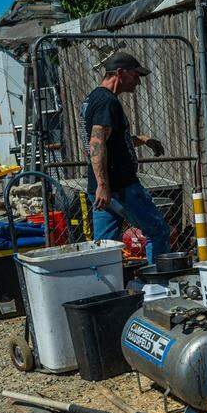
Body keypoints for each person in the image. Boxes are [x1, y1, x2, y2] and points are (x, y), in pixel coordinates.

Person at [81, 51, 173, 263]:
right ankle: (159, 287)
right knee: (157, 231)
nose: (138, 81)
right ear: (120, 73)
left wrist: (143, 139)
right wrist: (105, 184)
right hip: (120, 187)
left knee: (105, 247)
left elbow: (112, 139)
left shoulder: (93, 99)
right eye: (135, 75)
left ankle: (106, 291)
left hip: (102, 190)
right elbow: (97, 142)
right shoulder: (107, 102)